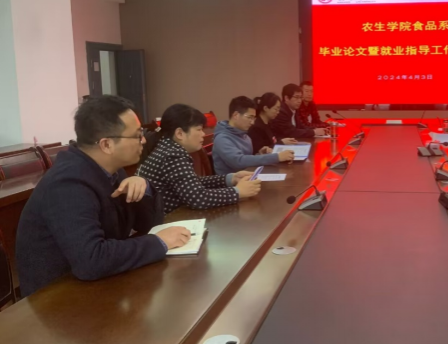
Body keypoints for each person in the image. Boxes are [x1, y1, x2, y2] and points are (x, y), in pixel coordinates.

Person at [16, 96, 191, 297]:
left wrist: (144, 188)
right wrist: (159, 242)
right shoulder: (67, 184)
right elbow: (91, 260)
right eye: (137, 135)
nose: (143, 140)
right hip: (58, 298)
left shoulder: (111, 170)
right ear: (107, 145)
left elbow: (148, 224)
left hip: (98, 284)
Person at [138, 104, 261, 214]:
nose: (203, 134)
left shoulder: (167, 148)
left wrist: (230, 178)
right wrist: (237, 191)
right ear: (180, 133)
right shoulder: (173, 155)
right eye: (199, 129)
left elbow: (193, 183)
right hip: (164, 223)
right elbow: (198, 198)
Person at [213, 96, 295, 174]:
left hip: (248, 176)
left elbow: (246, 159)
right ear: (236, 115)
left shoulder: (244, 135)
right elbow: (239, 161)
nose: (252, 122)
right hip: (232, 182)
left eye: (253, 118)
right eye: (249, 117)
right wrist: (276, 157)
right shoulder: (222, 138)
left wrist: (259, 154)